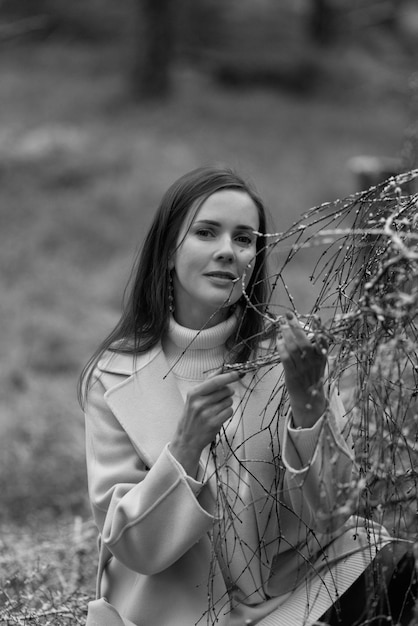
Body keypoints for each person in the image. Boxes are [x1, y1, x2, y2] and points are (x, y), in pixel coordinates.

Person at [79, 166, 416, 626]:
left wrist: (310, 403)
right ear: (166, 252)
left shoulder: (284, 357)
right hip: (179, 614)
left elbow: (333, 512)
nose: (227, 251)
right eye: (205, 232)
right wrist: (185, 447)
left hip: (296, 592)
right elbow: (135, 548)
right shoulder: (114, 375)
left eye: (244, 238)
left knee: (402, 574)